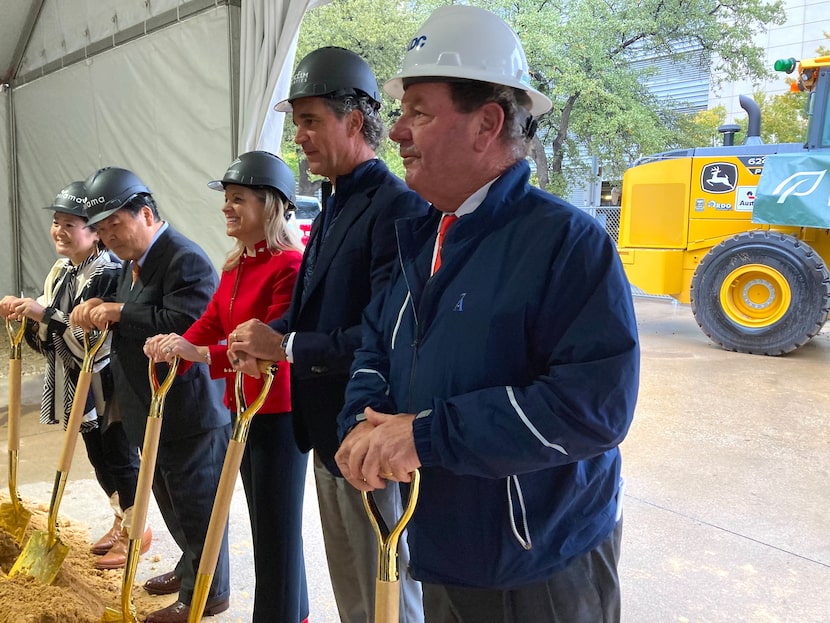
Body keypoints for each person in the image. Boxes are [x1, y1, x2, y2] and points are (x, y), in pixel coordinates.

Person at [334, 6, 640, 623]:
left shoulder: (566, 242)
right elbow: (375, 345)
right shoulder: (421, 237)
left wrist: (424, 435)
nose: (396, 132)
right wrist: (359, 424)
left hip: (542, 564)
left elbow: (593, 408)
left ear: (487, 123)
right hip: (445, 547)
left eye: (418, 111)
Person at [227, 47, 429, 623]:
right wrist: (266, 335)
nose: (300, 136)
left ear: (356, 122)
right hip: (325, 427)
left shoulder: (398, 208)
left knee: (387, 590)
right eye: (296, 122)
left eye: (311, 120)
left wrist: (285, 347)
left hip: (370, 432)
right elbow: (314, 311)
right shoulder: (336, 204)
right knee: (351, 583)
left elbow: (384, 336)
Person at [143, 151, 309, 623]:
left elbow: (263, 349)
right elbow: (213, 322)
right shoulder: (237, 266)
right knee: (268, 524)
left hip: (277, 412)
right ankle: (295, 613)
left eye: (238, 199)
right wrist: (179, 343)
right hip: (243, 407)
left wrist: (204, 354)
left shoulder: (288, 266)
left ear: (270, 205)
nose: (227, 208)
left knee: (276, 527)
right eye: (227, 199)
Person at [70, 167, 231, 623]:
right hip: (150, 404)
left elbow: (187, 321)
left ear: (145, 213)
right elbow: (125, 311)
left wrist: (120, 311)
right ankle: (189, 568)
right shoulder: (128, 265)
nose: (109, 238)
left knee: (197, 504)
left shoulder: (185, 259)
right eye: (100, 231)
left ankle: (208, 593)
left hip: (189, 407)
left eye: (115, 226)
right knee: (166, 497)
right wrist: (94, 310)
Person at [0, 180, 149, 569]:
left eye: (71, 224)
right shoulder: (63, 269)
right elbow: (49, 325)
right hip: (74, 380)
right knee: (96, 455)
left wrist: (41, 314)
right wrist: (26, 313)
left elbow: (89, 337)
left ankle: (138, 529)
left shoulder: (107, 273)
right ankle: (121, 517)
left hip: (106, 380)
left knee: (118, 455)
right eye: (56, 222)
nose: (60, 232)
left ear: (94, 230)